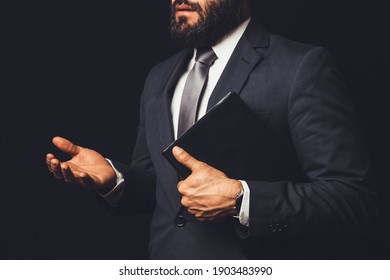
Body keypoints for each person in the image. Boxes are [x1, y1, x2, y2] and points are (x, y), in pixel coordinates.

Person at [46, 0, 378, 259]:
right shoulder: (159, 77)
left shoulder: (300, 67)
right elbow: (162, 190)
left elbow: (354, 200)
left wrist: (242, 200)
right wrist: (114, 180)